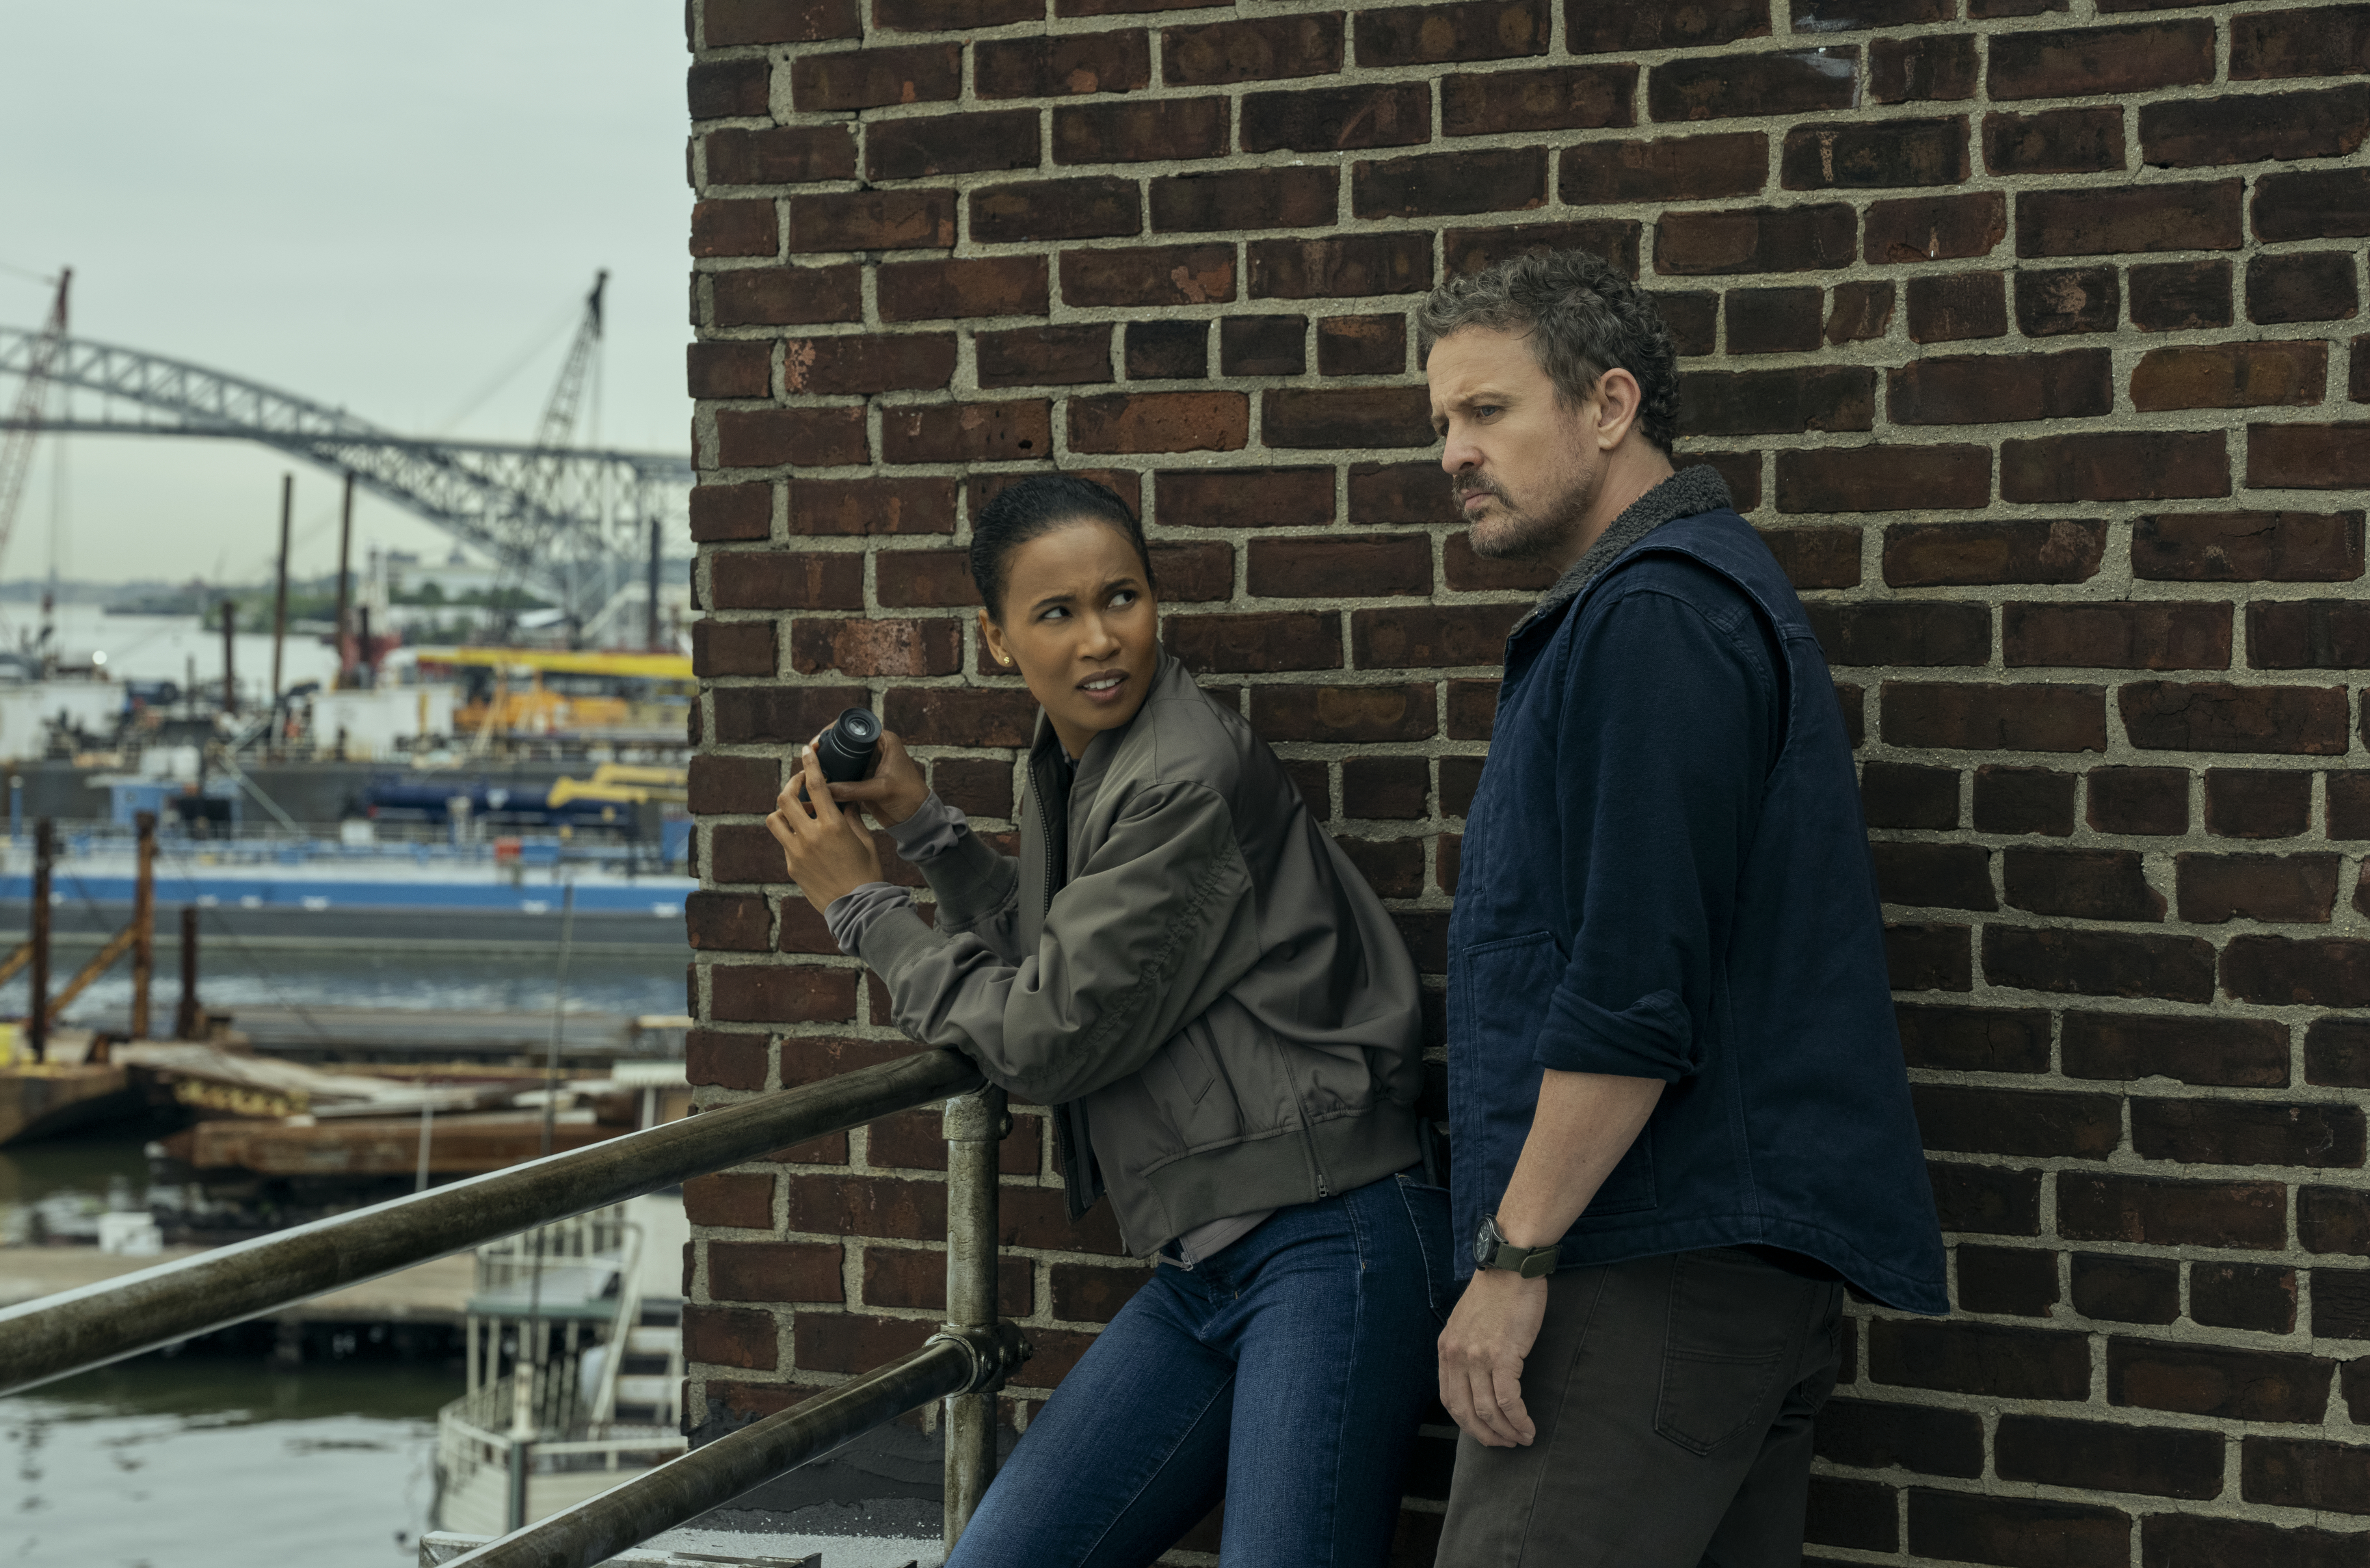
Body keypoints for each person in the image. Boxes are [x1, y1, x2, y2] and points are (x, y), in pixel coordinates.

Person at [766, 474, 1451, 1568]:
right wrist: (928, 831)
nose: (1102, 640)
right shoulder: (1082, 762)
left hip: (1332, 1243)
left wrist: (864, 909)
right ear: (998, 638)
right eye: (1057, 612)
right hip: (1207, 1270)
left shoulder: (1177, 772)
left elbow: (1045, 1035)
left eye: (1122, 598)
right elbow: (1071, 957)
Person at [1418, 250, 1948, 1565]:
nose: (1452, 453)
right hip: (1709, 1276)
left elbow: (1631, 992)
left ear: (1609, 407)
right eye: (1441, 423)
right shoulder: (1671, 603)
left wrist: (1513, 1262)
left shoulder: (1653, 617)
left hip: (1640, 1270)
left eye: (1487, 412)